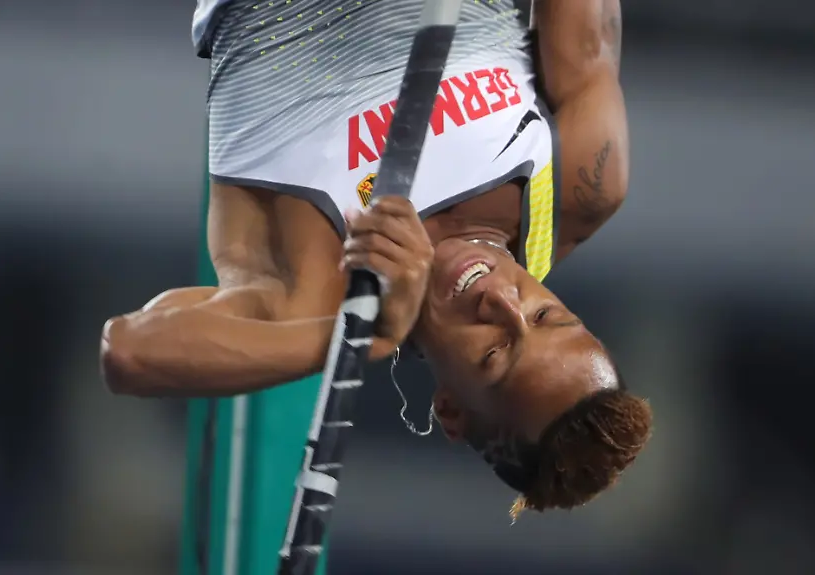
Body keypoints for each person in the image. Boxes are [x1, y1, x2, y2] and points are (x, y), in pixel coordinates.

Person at [101, 0, 652, 517]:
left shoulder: (310, 293)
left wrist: (363, 336)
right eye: (545, 315)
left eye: (495, 352)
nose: (502, 301)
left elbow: (128, 352)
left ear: (450, 410)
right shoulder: (578, 185)